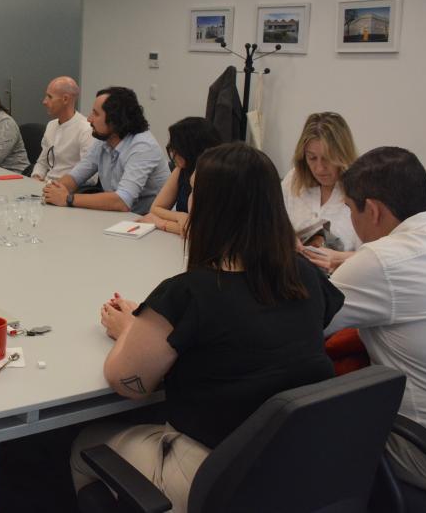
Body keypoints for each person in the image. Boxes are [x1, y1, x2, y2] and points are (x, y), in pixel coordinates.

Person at [70, 143, 343, 513]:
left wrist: (134, 327)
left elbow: (127, 382)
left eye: (196, 191)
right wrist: (156, 323)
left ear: (213, 209)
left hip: (219, 471)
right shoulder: (307, 277)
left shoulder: (190, 293)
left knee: (84, 444)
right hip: (299, 462)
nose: (190, 200)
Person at [325, 146, 426, 496]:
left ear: (374, 210)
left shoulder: (380, 262)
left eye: (350, 210)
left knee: (302, 421)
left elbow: (300, 327)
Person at [43, 87, 169, 215]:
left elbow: (122, 201)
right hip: (118, 218)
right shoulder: (104, 139)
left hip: (150, 222)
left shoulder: (143, 147)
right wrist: (54, 191)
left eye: (96, 114)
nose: (89, 119)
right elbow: (76, 176)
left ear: (116, 121)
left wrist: (68, 198)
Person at [283, 112, 361, 262]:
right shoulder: (294, 179)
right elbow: (271, 223)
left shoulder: (362, 191)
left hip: (338, 279)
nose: (319, 168)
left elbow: (376, 256)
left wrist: (340, 258)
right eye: (312, 158)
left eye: (327, 159)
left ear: (342, 155)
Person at [138, 117, 221, 235]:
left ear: (190, 148)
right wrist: (179, 215)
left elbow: (202, 232)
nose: (172, 153)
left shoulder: (215, 175)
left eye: (175, 147)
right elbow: (155, 209)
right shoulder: (182, 170)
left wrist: (161, 223)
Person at [30, 76, 93, 182]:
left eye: (50, 97)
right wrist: (36, 178)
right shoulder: (51, 125)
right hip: (45, 186)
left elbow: (90, 177)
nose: (44, 101)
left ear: (65, 99)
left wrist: (61, 186)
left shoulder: (86, 129)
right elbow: (42, 163)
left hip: (66, 191)